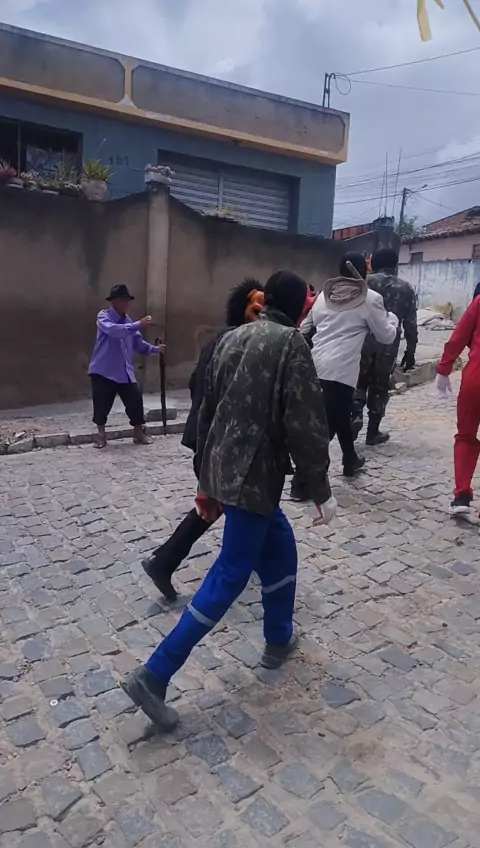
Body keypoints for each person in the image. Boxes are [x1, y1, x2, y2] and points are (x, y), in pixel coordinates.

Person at [122, 270, 337, 730]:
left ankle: (278, 637)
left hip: (226, 470)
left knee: (281, 548)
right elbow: (305, 423)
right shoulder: (291, 343)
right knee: (229, 575)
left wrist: (206, 479)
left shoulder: (232, 338)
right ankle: (154, 674)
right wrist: (319, 488)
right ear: (298, 307)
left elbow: (207, 410)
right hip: (254, 480)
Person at [141, 279, 265, 601]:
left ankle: (165, 562)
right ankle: (166, 562)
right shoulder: (243, 343)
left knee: (220, 502)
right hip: (221, 440)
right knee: (227, 502)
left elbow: (196, 381)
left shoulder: (217, 341)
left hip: (206, 435)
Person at [290, 252, 398, 500]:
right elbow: (386, 337)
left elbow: (304, 329)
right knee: (325, 429)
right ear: (364, 271)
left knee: (339, 416)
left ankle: (350, 460)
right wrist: (391, 319)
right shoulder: (370, 299)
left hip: (315, 367)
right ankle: (301, 483)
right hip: (341, 372)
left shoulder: (323, 297)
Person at [352, 248, 418, 446]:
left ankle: (355, 416)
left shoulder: (365, 283)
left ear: (373, 263)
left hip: (362, 342)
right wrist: (410, 351)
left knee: (358, 383)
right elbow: (411, 325)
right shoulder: (406, 288)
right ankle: (373, 433)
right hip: (388, 345)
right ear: (395, 265)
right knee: (380, 388)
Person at [88, 284, 164, 449]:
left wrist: (155, 349)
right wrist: (137, 324)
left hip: (124, 371)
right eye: (123, 300)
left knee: (135, 401)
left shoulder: (128, 321)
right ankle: (101, 435)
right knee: (101, 404)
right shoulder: (104, 316)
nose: (126, 304)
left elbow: (138, 343)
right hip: (104, 370)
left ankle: (138, 433)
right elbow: (114, 331)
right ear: (114, 301)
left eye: (127, 300)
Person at [436, 281, 480, 517]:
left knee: (465, 436)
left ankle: (461, 495)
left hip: (475, 379)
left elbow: (459, 336)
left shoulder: (479, 303)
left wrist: (444, 369)